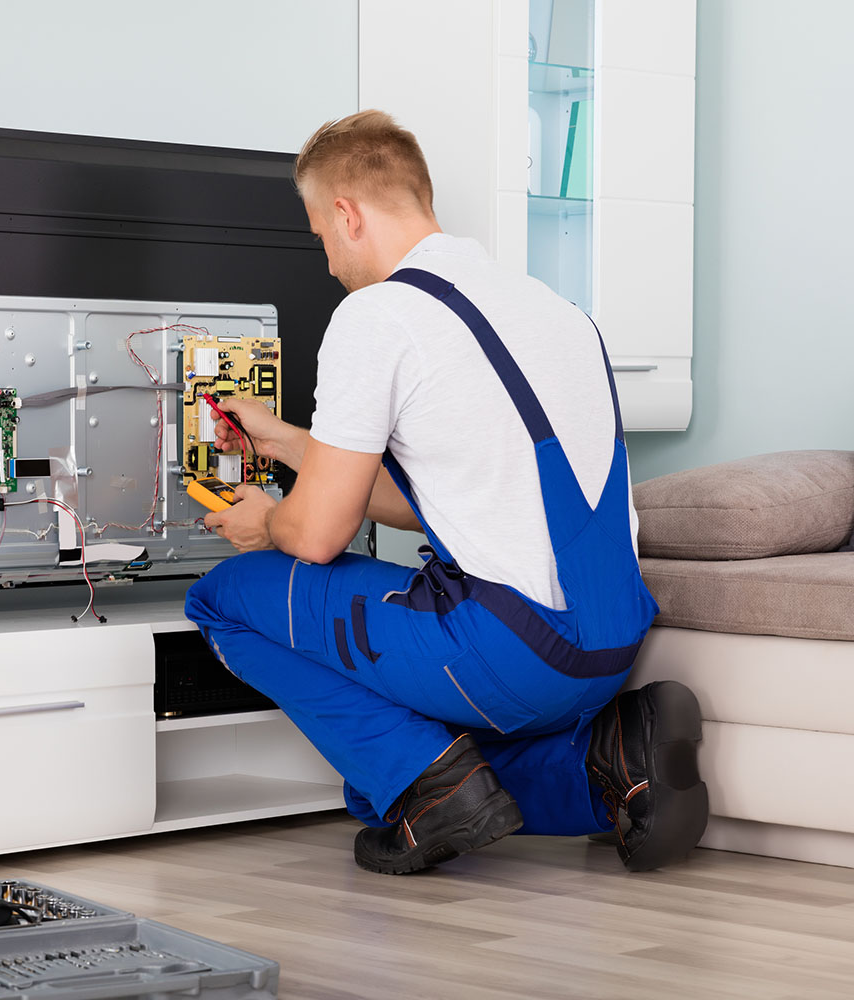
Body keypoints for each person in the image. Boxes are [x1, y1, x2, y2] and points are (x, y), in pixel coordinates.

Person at [183, 110, 708, 876]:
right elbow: (449, 493)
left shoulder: (377, 315)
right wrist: (294, 444)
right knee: (377, 791)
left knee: (225, 600)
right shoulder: (556, 312)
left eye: (319, 235)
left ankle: (436, 789)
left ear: (346, 213)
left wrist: (270, 521)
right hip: (607, 645)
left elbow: (319, 536)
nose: (326, 261)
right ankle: (610, 763)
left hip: (514, 650)